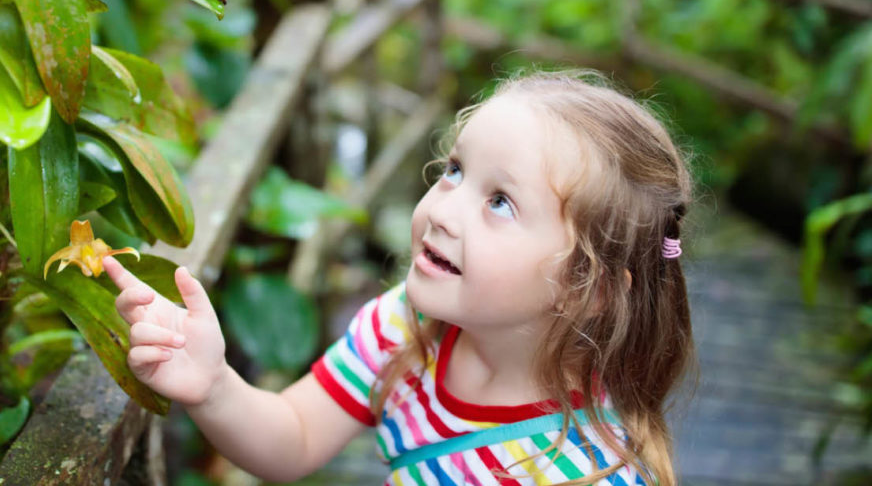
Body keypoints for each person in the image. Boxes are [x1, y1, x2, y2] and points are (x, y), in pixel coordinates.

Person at [103, 69, 696, 486]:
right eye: (455, 170)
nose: (441, 208)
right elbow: (297, 436)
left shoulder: (581, 471)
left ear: (588, 288)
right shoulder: (407, 327)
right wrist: (214, 386)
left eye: (500, 203)